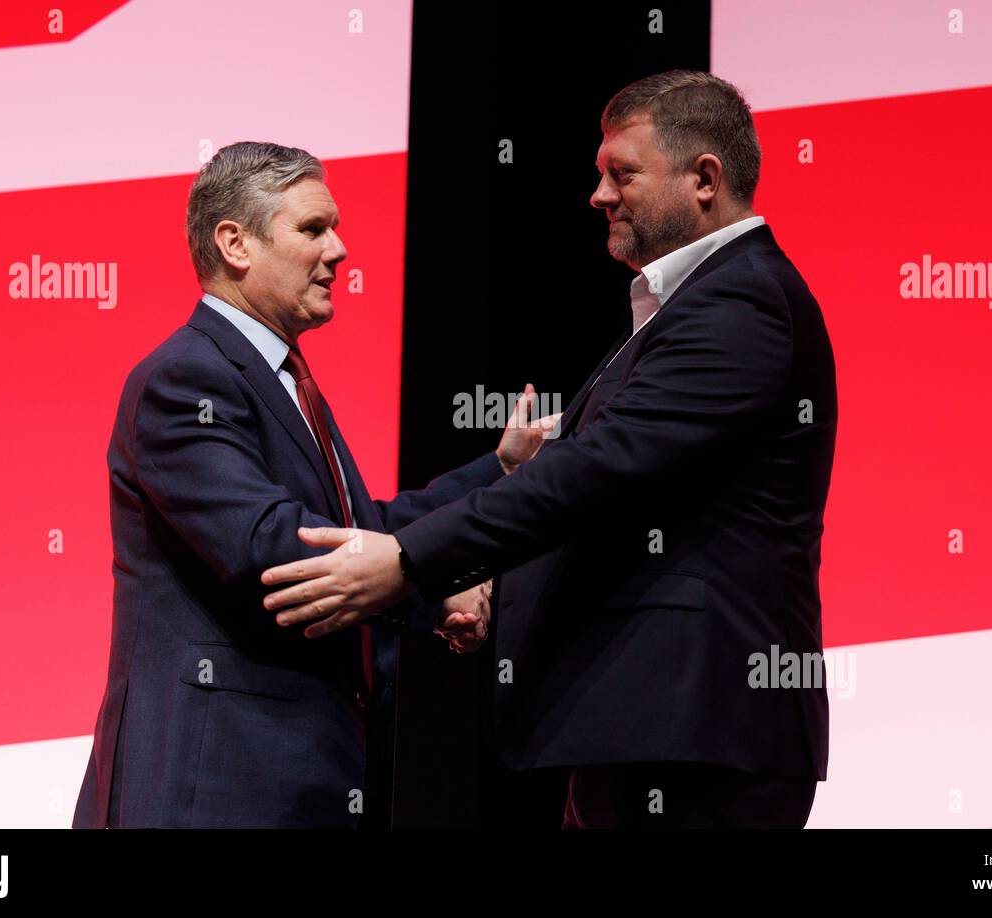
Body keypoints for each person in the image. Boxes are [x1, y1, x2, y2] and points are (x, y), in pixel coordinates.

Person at [262, 72, 838, 828]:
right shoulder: (695, 306)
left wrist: (407, 563)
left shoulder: (742, 302)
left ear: (704, 179)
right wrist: (487, 590)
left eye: (620, 173)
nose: (598, 194)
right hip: (657, 725)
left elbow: (595, 475)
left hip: (698, 730)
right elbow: (615, 495)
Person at [73, 141, 552, 828]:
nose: (341, 249)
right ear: (235, 243)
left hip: (300, 781)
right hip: (213, 789)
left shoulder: (286, 383)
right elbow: (272, 551)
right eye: (313, 229)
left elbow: (365, 525)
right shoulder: (186, 379)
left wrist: (500, 473)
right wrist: (432, 576)